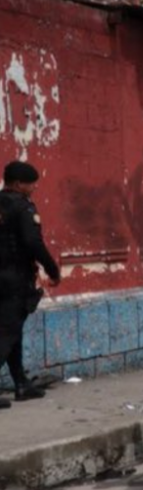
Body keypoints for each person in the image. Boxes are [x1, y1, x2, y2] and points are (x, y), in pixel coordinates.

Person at [0, 161, 61, 407]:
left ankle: (21, 384)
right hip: (15, 279)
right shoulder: (22, 208)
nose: (34, 188)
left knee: (12, 331)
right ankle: (21, 384)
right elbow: (33, 243)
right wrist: (52, 268)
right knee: (6, 333)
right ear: (18, 184)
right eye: (31, 184)